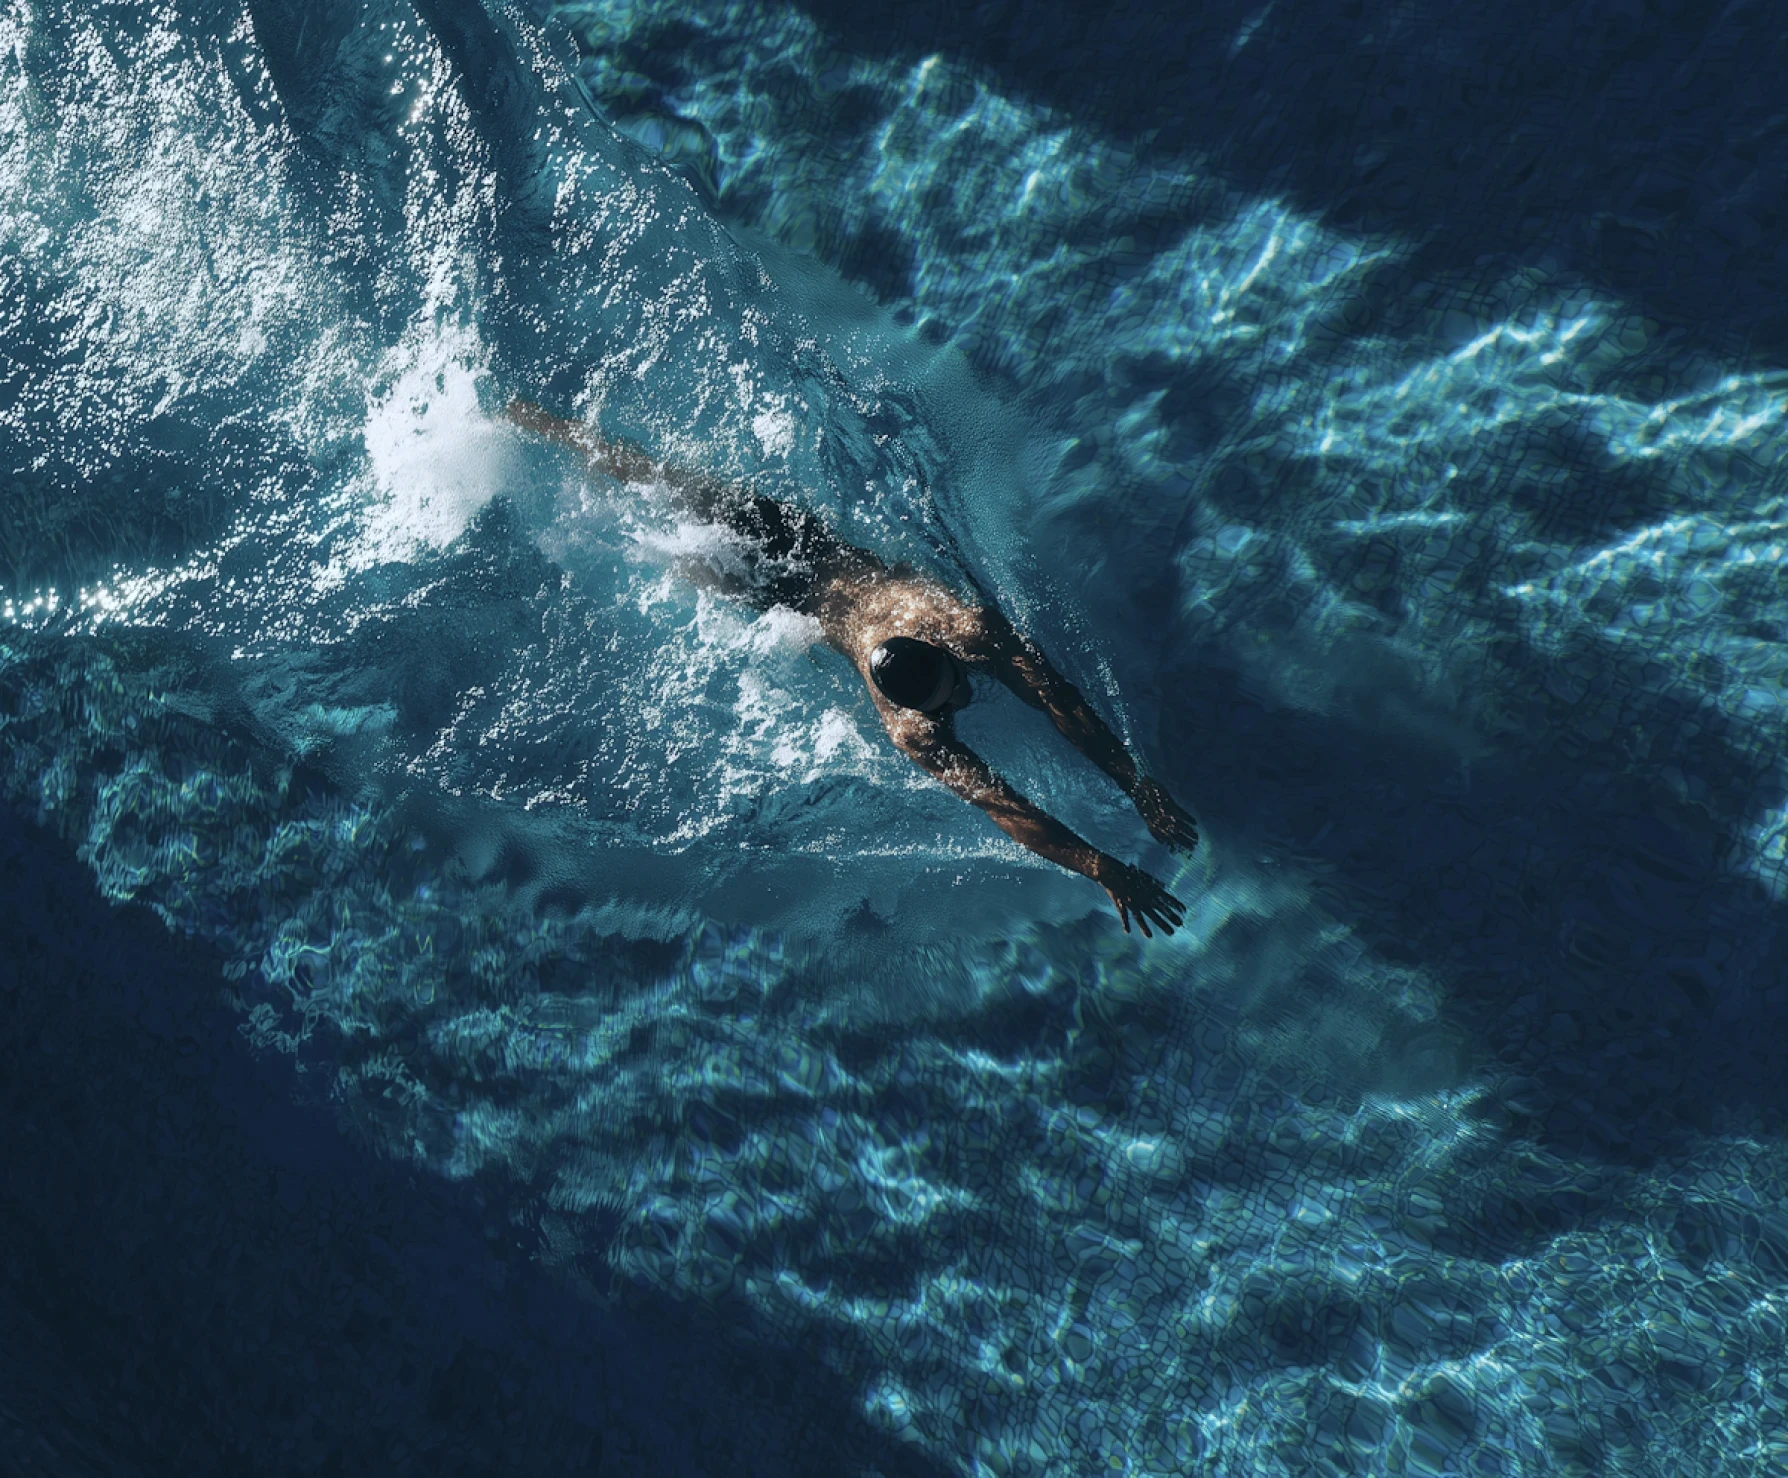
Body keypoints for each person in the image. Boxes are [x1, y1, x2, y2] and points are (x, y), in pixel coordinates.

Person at [506, 400, 1198, 937]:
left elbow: (1058, 698)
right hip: (782, 582)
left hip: (797, 545)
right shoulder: (909, 727)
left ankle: (533, 425)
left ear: (946, 654)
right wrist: (1101, 866)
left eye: (959, 685)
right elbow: (1004, 807)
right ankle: (526, 427)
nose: (965, 699)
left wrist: (1136, 783)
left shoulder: (960, 624)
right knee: (660, 504)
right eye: (953, 702)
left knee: (666, 497)